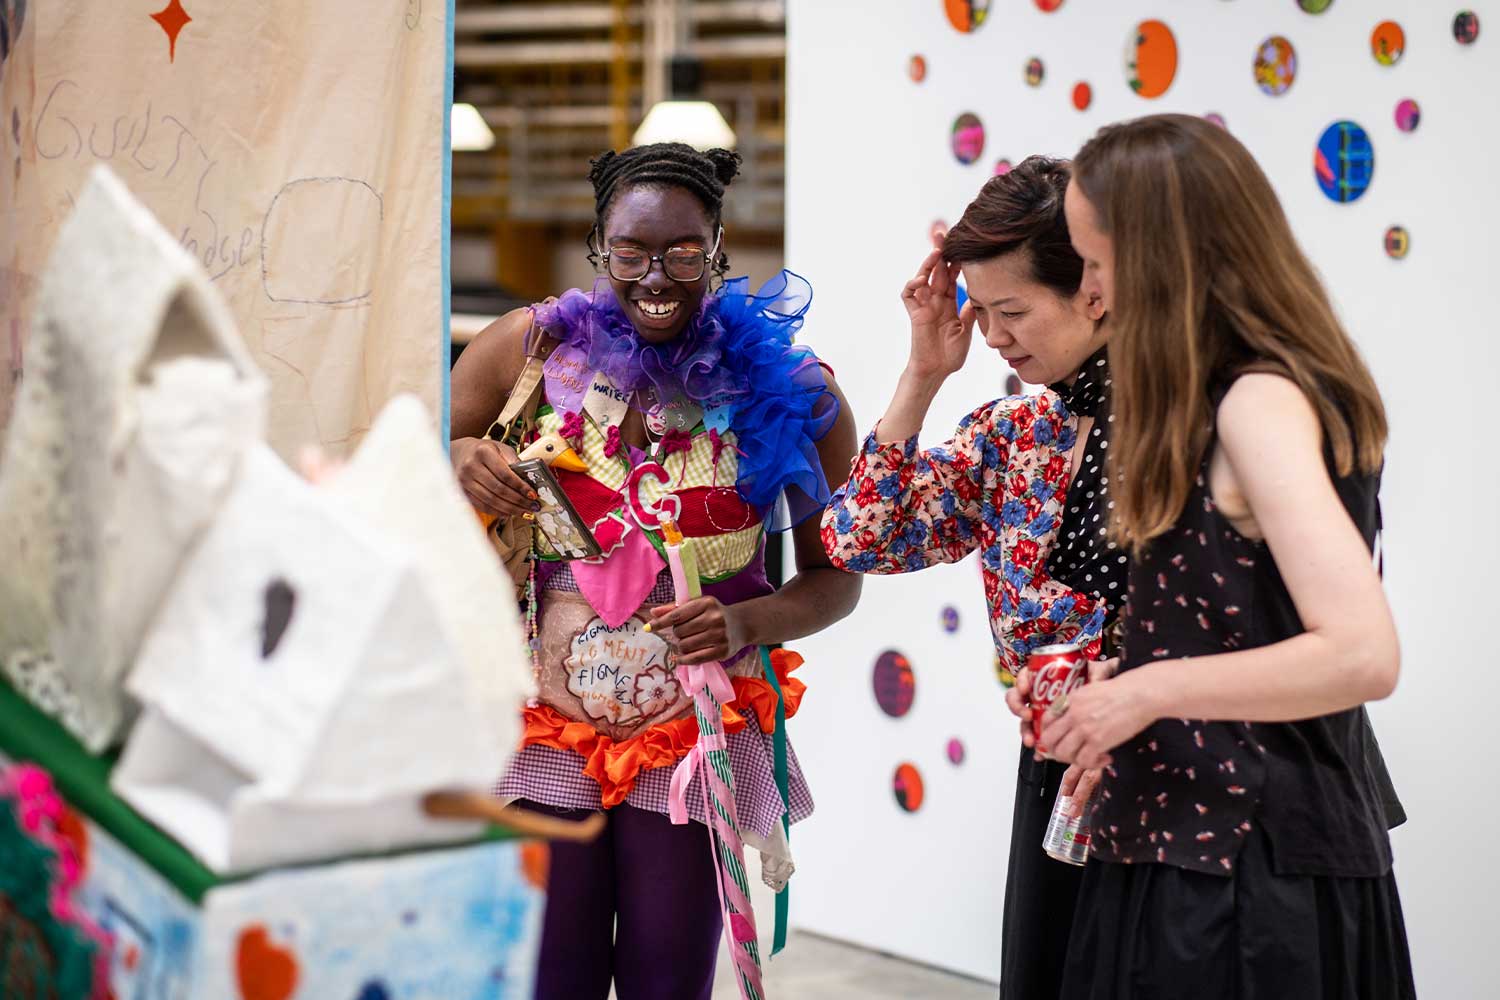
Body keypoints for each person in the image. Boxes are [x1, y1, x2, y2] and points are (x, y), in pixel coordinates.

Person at [449, 143, 860, 1000]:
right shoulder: (525, 353)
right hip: (545, 731)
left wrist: (745, 622)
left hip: (691, 737)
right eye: (631, 252)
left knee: (665, 981)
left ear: (718, 244)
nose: (656, 276)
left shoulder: (791, 391)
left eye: (682, 250)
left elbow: (839, 577)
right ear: (599, 248)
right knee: (542, 978)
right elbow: (408, 467)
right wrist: (457, 457)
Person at [1025, 113, 1414, 998]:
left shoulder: (1258, 402)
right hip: (1193, 847)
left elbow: (1362, 654)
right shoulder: (1230, 396)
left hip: (1247, 873)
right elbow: (1245, 620)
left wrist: (1142, 693)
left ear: (1164, 254)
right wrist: (1112, 684)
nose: (1090, 294)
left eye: (1096, 262)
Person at [821, 156, 1119, 1000]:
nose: (991, 335)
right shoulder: (1014, 434)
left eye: (1011, 310)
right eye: (978, 311)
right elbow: (856, 540)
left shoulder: (1194, 425)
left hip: (1172, 764)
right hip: (1054, 769)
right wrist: (922, 372)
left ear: (1093, 287)